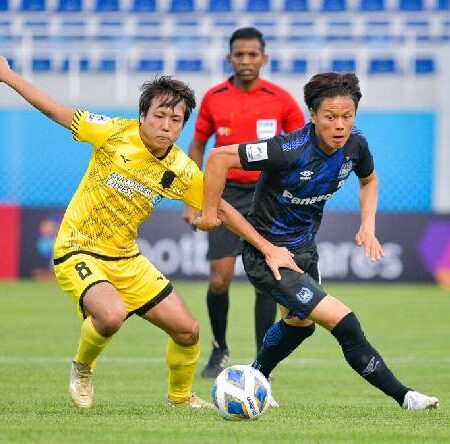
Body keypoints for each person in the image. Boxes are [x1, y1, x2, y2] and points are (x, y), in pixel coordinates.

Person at [0, 56, 300, 409]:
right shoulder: (112, 132)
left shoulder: (181, 168)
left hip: (126, 257)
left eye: (176, 120)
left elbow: (219, 207)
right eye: (159, 115)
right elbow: (56, 111)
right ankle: (82, 367)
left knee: (188, 331)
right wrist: (7, 76)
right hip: (77, 247)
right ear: (142, 115)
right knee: (110, 316)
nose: (166, 126)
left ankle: (181, 399)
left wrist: (266, 248)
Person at [195, 72, 439, 410]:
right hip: (268, 257)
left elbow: (368, 180)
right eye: (330, 117)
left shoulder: (356, 144)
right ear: (312, 115)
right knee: (344, 320)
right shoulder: (287, 149)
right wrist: (209, 213)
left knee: (300, 327)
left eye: (347, 116)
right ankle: (405, 397)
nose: (340, 125)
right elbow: (219, 157)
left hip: (304, 251)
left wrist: (368, 225)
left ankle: (254, 377)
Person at [183, 27, 306, 378]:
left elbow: (300, 145)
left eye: (253, 54)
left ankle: (260, 363)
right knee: (220, 278)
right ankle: (219, 348)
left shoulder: (281, 99)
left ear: (264, 58)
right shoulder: (213, 97)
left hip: (267, 196)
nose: (246, 60)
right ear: (229, 58)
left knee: (267, 277)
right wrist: (191, 200)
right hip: (224, 194)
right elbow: (197, 146)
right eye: (240, 54)